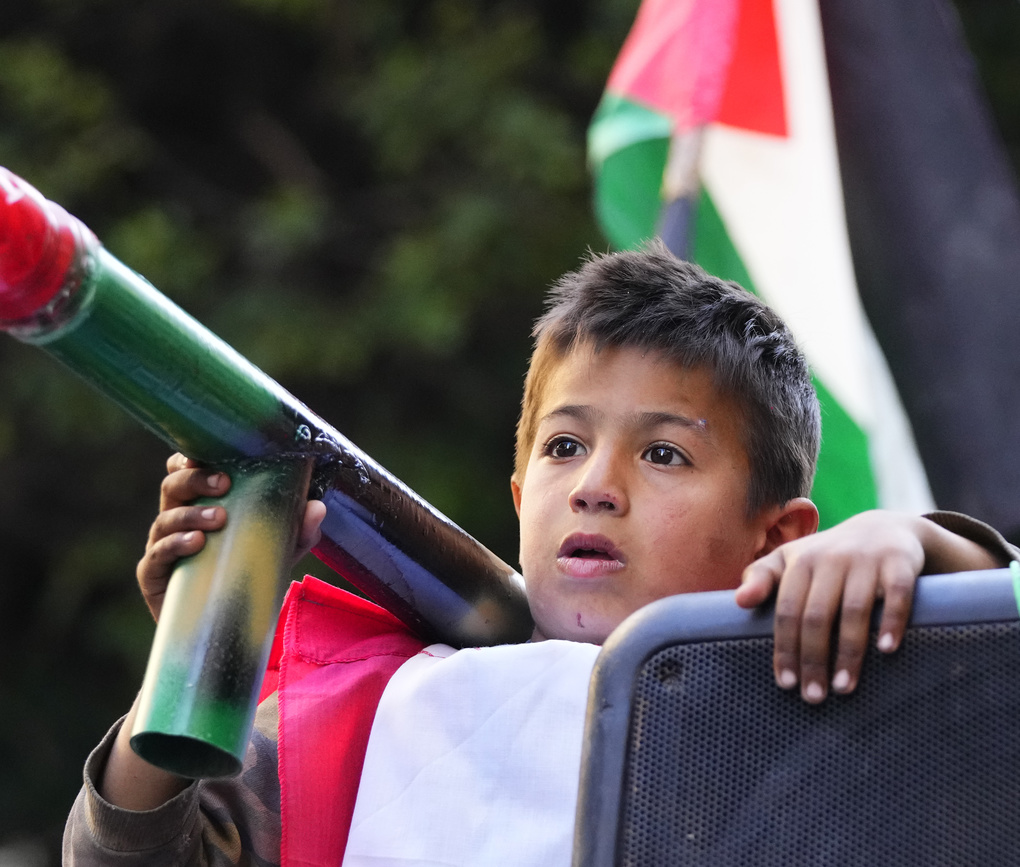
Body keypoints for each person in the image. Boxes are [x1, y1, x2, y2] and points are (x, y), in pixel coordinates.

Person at [62, 245, 1016, 866]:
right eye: (564, 446)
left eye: (664, 453)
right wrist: (194, 661)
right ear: (521, 499)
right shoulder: (367, 714)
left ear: (776, 538)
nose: (598, 483)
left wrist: (920, 542)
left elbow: (985, 712)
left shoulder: (826, 691)